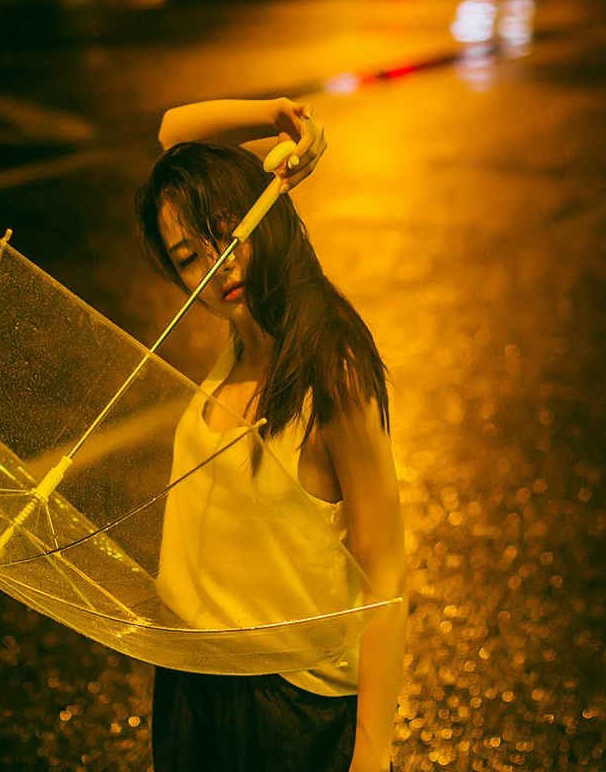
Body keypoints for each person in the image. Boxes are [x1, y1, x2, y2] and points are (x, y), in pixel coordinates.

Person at [136, 97, 408, 772]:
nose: (215, 267)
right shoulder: (239, 347)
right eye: (187, 257)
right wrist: (262, 112)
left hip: (285, 705)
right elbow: (172, 133)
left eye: (224, 233)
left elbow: (384, 565)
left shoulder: (330, 364)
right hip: (194, 684)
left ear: (265, 215)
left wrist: (372, 752)